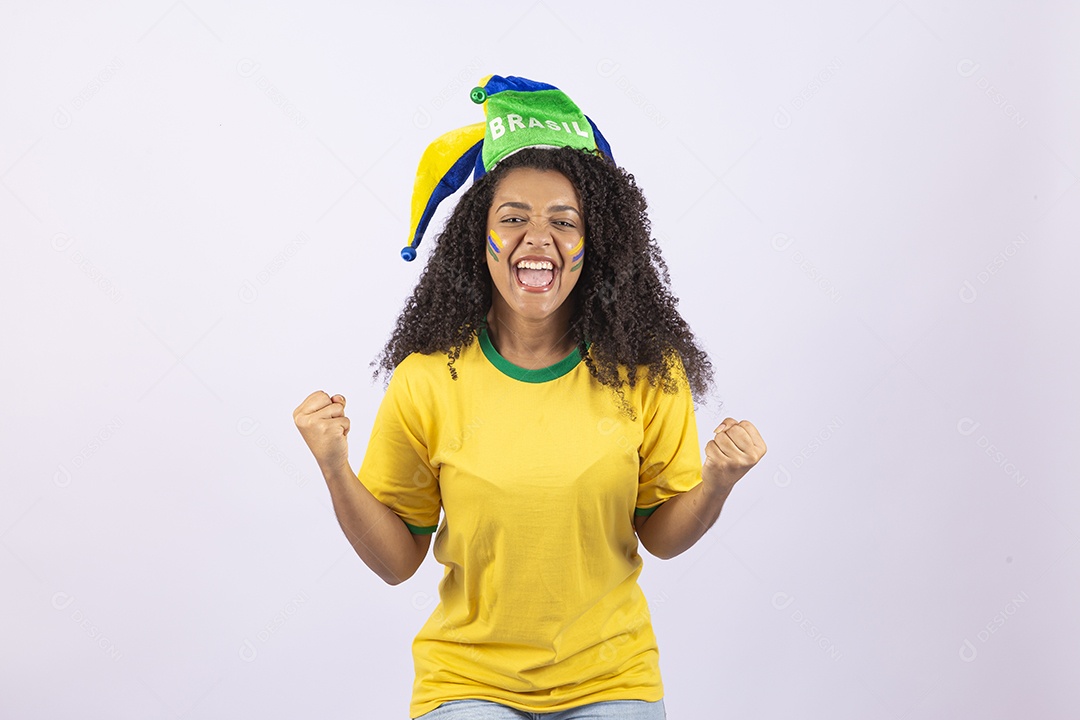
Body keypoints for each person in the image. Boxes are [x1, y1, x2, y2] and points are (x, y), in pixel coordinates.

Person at [293, 75, 767, 719]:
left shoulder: (647, 374)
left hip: (612, 678)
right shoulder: (428, 380)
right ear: (477, 240)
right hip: (468, 682)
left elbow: (659, 535)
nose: (537, 238)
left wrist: (716, 482)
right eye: (513, 218)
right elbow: (397, 560)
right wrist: (333, 467)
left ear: (593, 244)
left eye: (563, 222)